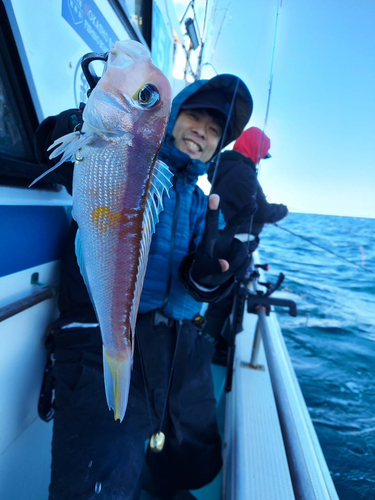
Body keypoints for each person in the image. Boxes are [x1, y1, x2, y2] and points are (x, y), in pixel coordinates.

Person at [35, 73, 253, 500]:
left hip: (167, 347)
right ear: (171, 118)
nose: (201, 134)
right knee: (96, 481)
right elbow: (52, 151)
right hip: (97, 335)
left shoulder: (199, 202)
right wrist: (81, 128)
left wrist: (209, 276)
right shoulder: (126, 156)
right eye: (194, 118)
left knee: (191, 459)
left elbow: (193, 287)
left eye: (213, 132)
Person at [203, 127, 288, 350]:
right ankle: (210, 345)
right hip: (235, 246)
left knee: (221, 294)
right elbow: (263, 211)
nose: (260, 159)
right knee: (224, 298)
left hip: (227, 241)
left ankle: (209, 339)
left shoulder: (228, 167)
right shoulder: (242, 172)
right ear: (254, 149)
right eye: (261, 154)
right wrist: (283, 210)